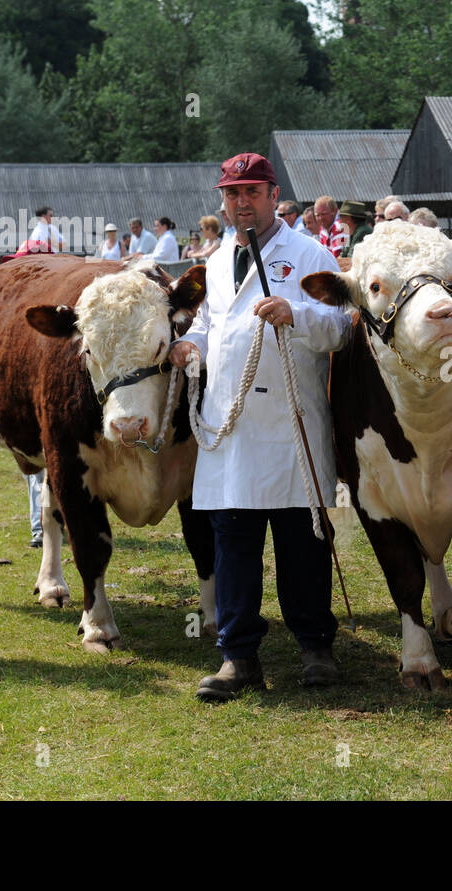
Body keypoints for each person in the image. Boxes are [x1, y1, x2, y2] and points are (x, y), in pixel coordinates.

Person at [170, 152, 350, 700]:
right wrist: (189, 346)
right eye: (232, 194)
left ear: (274, 195)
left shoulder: (311, 253)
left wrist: (298, 315)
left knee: (303, 543)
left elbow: (342, 326)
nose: (241, 202)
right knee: (234, 546)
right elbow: (210, 321)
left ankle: (315, 646)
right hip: (232, 424)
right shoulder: (219, 256)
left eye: (252, 191)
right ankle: (238, 656)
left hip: (291, 422)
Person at [339, 200, 372, 266]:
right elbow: (343, 255)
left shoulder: (362, 232)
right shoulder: (352, 232)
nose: (339, 221)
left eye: (341, 217)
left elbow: (350, 261)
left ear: (348, 219)